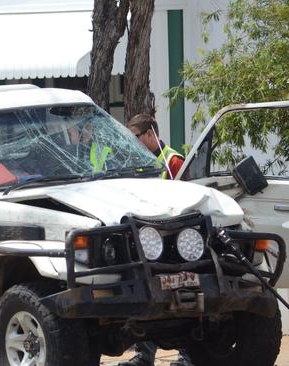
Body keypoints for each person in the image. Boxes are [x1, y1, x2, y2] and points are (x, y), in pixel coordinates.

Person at [120, 114, 192, 366]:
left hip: (174, 244)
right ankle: (143, 355)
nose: (133, 143)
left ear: (150, 134)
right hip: (148, 242)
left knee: (182, 300)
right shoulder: (138, 162)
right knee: (146, 299)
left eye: (136, 137)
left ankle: (187, 356)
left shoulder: (173, 161)